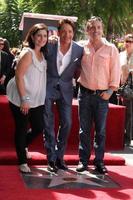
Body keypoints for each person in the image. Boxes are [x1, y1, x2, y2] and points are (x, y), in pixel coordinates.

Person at [76, 16, 120, 174]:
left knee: (100, 131)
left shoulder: (111, 49)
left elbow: (116, 72)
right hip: (85, 94)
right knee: (84, 130)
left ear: (102, 29)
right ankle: (83, 161)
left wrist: (110, 91)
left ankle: (99, 161)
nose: (96, 30)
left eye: (99, 27)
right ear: (87, 30)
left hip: (102, 96)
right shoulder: (81, 47)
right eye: (92, 27)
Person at [6, 23, 48, 173]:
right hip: (20, 96)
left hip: (36, 99)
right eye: (39, 35)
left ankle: (23, 145)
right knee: (22, 128)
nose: (42, 39)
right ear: (32, 36)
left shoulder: (43, 54)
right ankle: (22, 161)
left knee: (38, 127)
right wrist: (24, 99)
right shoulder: (27, 53)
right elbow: (18, 76)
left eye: (45, 36)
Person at [43, 19, 83, 172]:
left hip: (66, 90)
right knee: (48, 122)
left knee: (67, 122)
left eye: (70, 31)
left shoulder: (79, 50)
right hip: (47, 87)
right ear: (58, 32)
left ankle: (60, 156)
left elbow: (80, 69)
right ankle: (51, 158)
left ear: (73, 33)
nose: (67, 34)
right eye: (64, 31)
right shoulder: (50, 44)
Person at [120, 33, 133, 146]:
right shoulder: (121, 55)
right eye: (126, 41)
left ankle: (128, 138)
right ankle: (121, 137)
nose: (128, 43)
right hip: (121, 88)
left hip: (131, 88)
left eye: (130, 41)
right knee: (123, 113)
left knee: (130, 114)